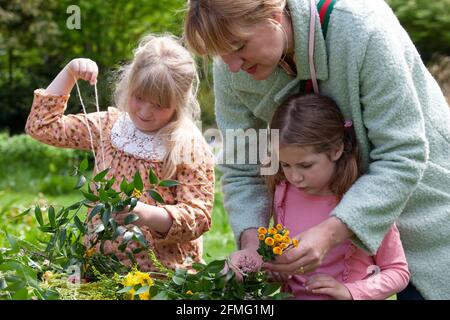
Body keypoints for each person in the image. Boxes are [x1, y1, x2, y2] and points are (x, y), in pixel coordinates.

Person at [183, 0, 450, 299]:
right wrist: (252, 243)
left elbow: (403, 154)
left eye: (239, 45)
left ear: (273, 13)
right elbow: (244, 168)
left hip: (426, 217)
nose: (232, 66)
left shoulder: (363, 28)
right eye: (221, 53)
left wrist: (328, 233)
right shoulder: (231, 68)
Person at [25, 34, 215, 272]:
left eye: (158, 105)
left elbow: (199, 217)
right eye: (139, 98)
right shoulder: (110, 127)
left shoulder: (187, 147)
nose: (145, 112)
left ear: (179, 102)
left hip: (161, 277)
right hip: (100, 269)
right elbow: (42, 127)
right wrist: (70, 72)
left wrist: (146, 214)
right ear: (129, 85)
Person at [264, 94, 409, 299]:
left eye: (306, 165)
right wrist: (278, 271)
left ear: (336, 150)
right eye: (285, 165)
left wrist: (350, 291)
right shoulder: (283, 193)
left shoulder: (364, 201)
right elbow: (290, 266)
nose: (294, 177)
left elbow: (398, 271)